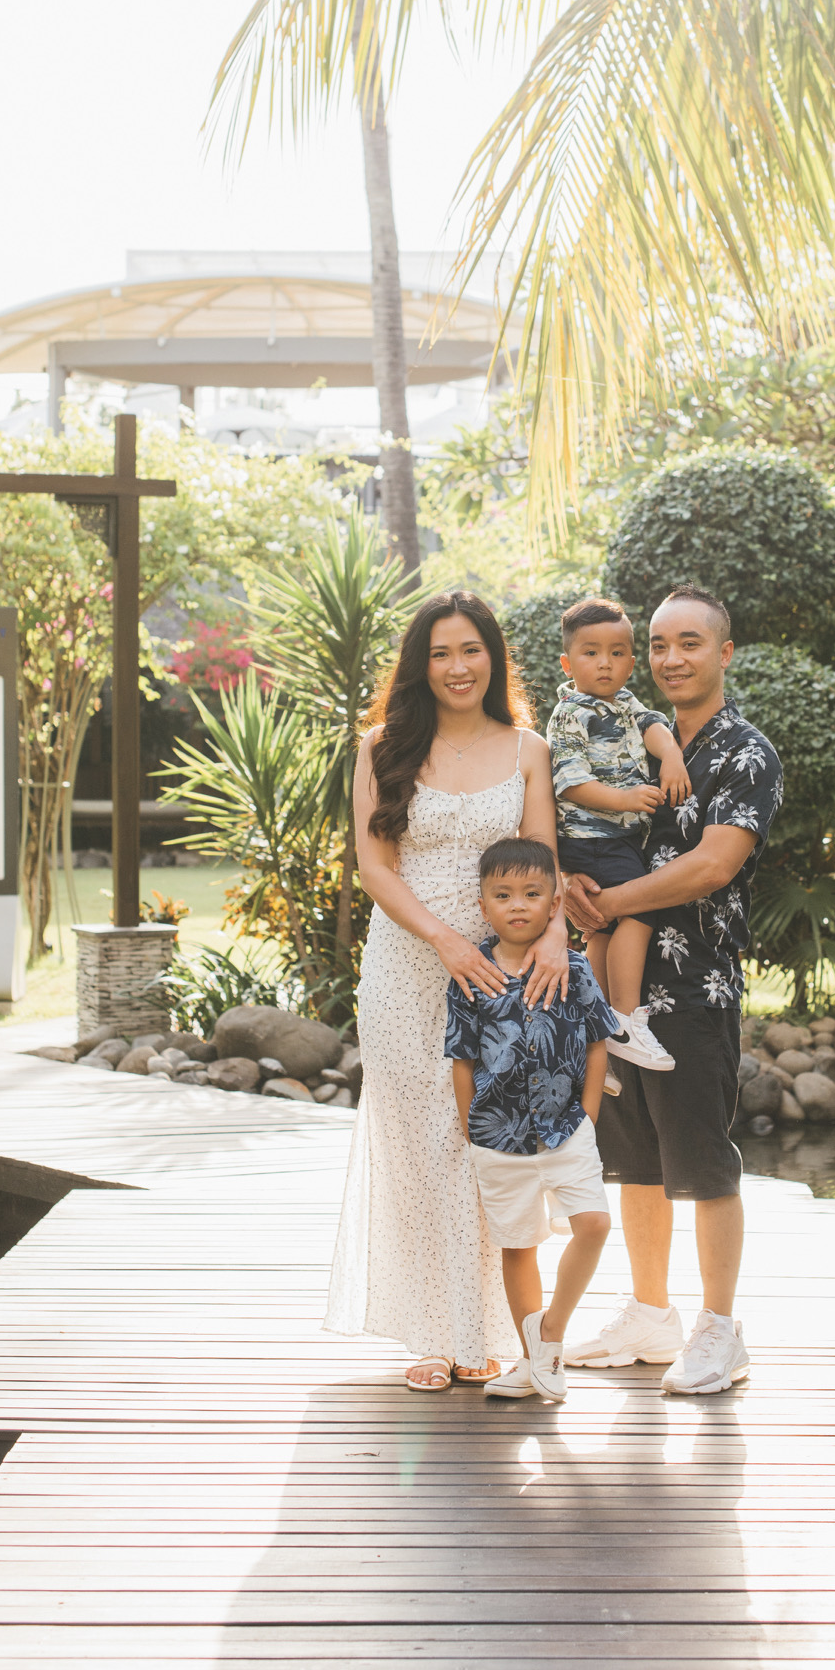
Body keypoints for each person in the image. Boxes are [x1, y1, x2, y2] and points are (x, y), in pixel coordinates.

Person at [324, 589, 569, 1392]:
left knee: (482, 1143)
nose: (457, 667)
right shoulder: (382, 747)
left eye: (471, 650)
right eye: (440, 654)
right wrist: (444, 939)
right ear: (419, 665)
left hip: (501, 973)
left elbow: (545, 862)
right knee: (418, 1148)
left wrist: (554, 937)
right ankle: (432, 1334)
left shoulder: (529, 749)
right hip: (406, 967)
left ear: (493, 657)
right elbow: (374, 867)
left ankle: (485, 1332)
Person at [563, 584, 782, 1396]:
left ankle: (720, 1329)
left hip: (693, 987)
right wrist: (571, 884)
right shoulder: (622, 733)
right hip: (612, 993)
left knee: (703, 1160)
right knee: (635, 1159)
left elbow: (712, 865)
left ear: (724, 653)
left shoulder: (745, 754)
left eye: (689, 643)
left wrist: (612, 900)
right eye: (658, 644)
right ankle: (650, 1313)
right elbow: (575, 816)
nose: (670, 658)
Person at [445, 837, 616, 1401]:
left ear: (553, 903)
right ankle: (533, 1362)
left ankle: (551, 1333)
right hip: (497, 1135)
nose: (517, 905)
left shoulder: (572, 968)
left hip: (567, 1128)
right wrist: (471, 1127)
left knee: (594, 1224)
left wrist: (589, 1114)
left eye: (532, 893)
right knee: (518, 1244)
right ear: (483, 905)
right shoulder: (471, 974)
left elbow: (597, 1042)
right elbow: (462, 1058)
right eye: (503, 895)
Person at [546, 595, 688, 1070]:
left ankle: (595, 1036)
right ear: (568, 663)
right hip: (591, 837)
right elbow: (571, 783)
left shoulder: (626, 703)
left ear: (631, 662)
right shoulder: (571, 713)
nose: (604, 663)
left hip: (618, 839)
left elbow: (653, 726)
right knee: (641, 910)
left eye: (617, 652)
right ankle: (627, 1019)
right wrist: (625, 799)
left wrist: (672, 756)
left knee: (602, 928)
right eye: (591, 653)